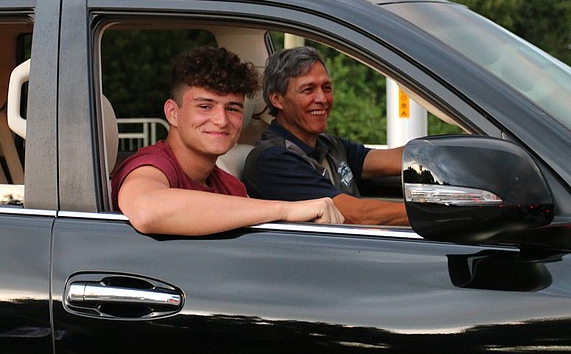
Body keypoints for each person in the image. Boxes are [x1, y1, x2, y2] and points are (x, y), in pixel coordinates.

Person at [112, 46, 343, 236]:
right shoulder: (151, 165)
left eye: (232, 108)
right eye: (205, 107)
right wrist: (285, 209)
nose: (222, 121)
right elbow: (147, 210)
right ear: (172, 113)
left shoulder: (230, 187)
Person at [243, 46, 409, 226]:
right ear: (277, 99)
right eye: (308, 90)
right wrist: (437, 214)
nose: (322, 99)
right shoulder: (272, 159)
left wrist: (438, 154)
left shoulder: (327, 144)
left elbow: (390, 160)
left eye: (327, 87)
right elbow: (358, 214)